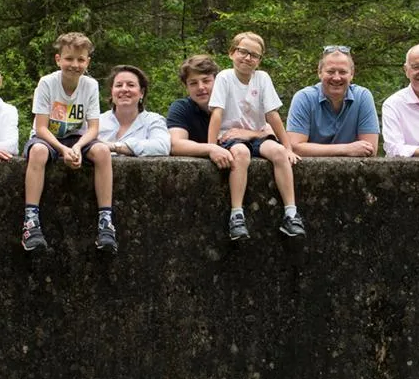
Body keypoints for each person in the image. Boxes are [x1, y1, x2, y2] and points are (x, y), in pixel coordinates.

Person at [20, 32, 115, 254]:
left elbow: (93, 128)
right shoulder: (47, 83)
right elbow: (41, 127)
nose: (75, 65)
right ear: (58, 59)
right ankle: (30, 221)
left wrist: (78, 147)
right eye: (69, 59)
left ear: (87, 62)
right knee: (39, 153)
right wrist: (63, 150)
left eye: (81, 60)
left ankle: (106, 222)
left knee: (102, 151)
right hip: (48, 137)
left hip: (76, 138)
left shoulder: (90, 85)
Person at [207, 31, 304, 239]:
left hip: (258, 134)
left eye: (254, 55)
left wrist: (287, 147)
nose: (248, 58)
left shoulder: (262, 79)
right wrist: (211, 147)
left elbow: (272, 115)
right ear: (232, 53)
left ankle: (291, 213)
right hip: (231, 137)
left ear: (259, 60)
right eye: (243, 52)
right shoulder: (225, 77)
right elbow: (217, 114)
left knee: (278, 152)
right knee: (241, 154)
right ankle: (236, 214)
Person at [167, 54, 254, 236]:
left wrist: (250, 134)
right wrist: (211, 148)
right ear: (186, 87)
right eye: (193, 83)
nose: (201, 88)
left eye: (206, 81)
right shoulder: (182, 107)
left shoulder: (237, 101)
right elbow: (176, 144)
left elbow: (270, 131)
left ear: (217, 80)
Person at [286, 46, 380, 157]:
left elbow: (370, 149)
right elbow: (295, 147)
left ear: (352, 74)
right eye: (330, 72)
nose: (336, 78)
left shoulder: (363, 97)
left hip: (355, 172)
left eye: (342, 72)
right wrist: (346, 149)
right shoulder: (304, 98)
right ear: (319, 73)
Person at [98, 65, 170, 157]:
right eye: (119, 85)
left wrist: (115, 147)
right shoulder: (96, 122)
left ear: (142, 93)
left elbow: (162, 146)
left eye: (131, 85)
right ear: (112, 92)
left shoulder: (154, 120)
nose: (124, 89)